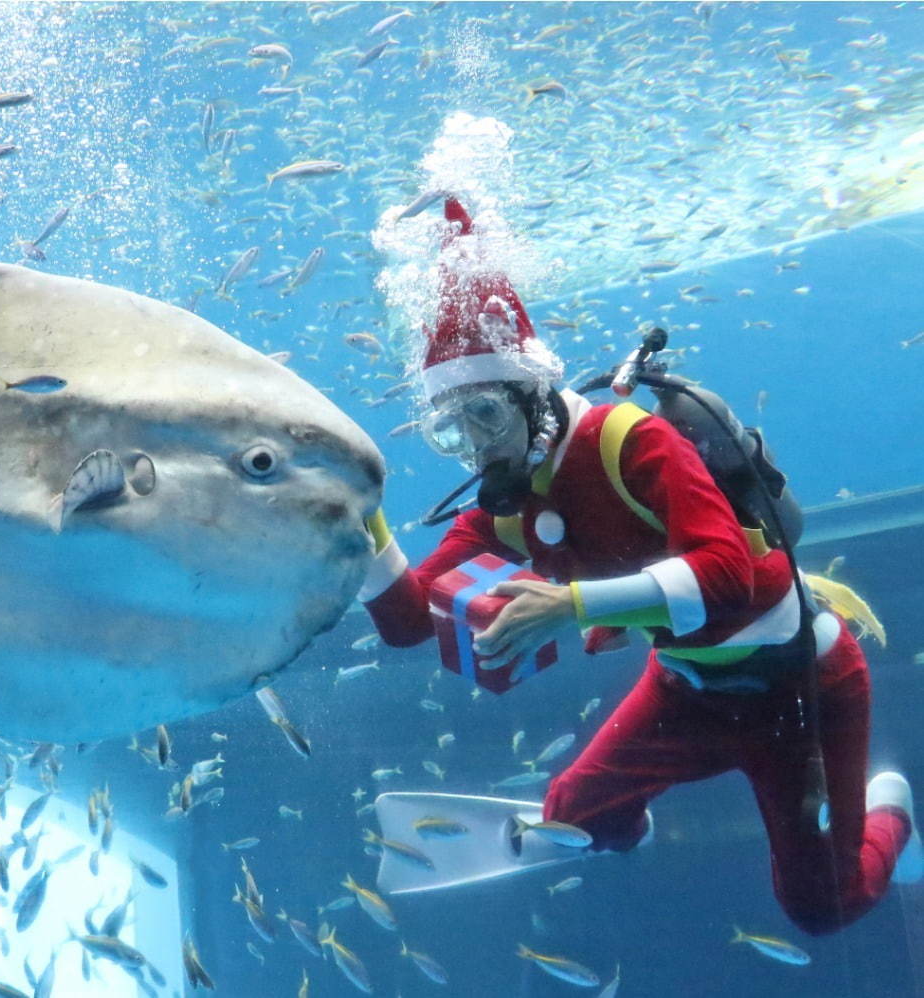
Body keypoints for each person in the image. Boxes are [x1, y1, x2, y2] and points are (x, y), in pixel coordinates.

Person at [359, 197, 919, 935]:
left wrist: (572, 606)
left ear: (532, 396)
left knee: (821, 905)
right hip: (688, 689)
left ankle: (890, 811)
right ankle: (625, 828)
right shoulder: (508, 498)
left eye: (486, 417)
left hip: (803, 690)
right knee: (573, 817)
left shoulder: (628, 442)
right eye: (448, 430)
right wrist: (355, 515)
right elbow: (408, 622)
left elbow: (729, 576)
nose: (476, 447)